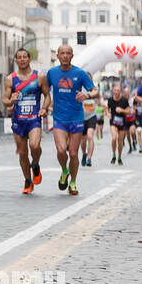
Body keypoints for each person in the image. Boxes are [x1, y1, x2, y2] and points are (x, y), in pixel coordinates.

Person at [38, 44, 95, 196]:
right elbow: (46, 93)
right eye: (62, 53)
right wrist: (44, 107)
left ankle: (73, 182)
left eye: (67, 53)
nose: (64, 56)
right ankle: (64, 171)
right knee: (61, 151)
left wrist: (87, 95)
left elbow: (94, 91)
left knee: (74, 153)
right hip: (59, 118)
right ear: (57, 56)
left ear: (72, 56)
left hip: (76, 118)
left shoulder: (80, 73)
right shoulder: (52, 73)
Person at [4, 47, 49, 195]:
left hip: (34, 119)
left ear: (29, 59)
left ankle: (35, 165)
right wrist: (11, 100)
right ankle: (28, 181)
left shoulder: (39, 77)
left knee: (35, 146)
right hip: (18, 120)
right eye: (19, 57)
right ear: (16, 61)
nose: (22, 59)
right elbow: (5, 100)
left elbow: (47, 96)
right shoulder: (10, 79)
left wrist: (44, 108)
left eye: (25, 57)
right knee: (23, 153)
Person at [107, 83, 132, 164]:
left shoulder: (124, 100)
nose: (116, 92)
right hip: (113, 122)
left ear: (120, 91)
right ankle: (114, 155)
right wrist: (108, 114)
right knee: (114, 138)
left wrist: (122, 110)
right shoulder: (110, 99)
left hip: (122, 123)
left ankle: (119, 157)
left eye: (118, 90)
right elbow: (107, 109)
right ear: (113, 91)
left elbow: (129, 111)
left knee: (120, 141)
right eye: (115, 90)